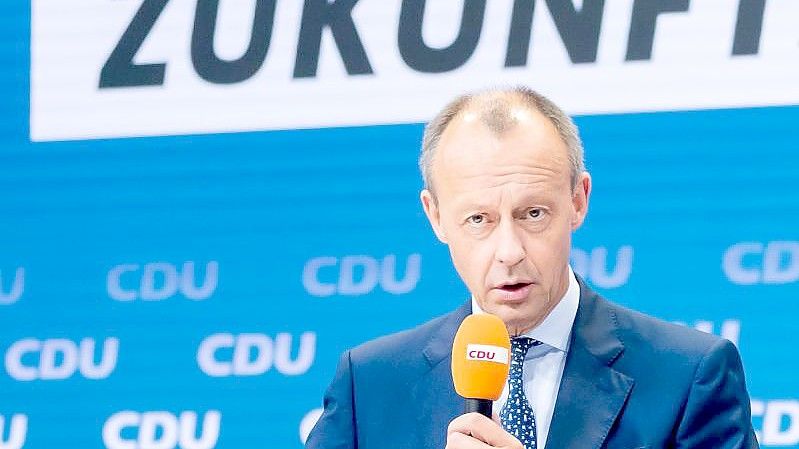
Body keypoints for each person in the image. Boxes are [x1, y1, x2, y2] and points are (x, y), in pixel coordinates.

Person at [305, 87, 758, 449]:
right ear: (436, 216)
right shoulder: (369, 386)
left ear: (578, 201)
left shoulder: (688, 374)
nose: (509, 251)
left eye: (533, 214)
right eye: (478, 219)